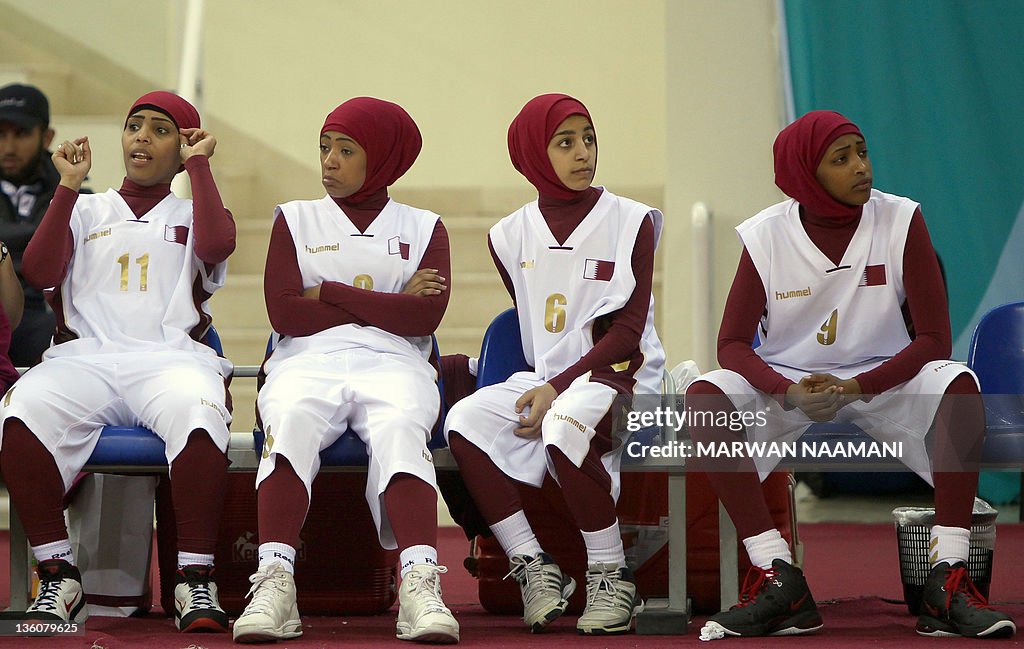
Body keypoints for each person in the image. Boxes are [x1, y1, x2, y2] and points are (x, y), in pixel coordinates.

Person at [687, 110, 1016, 641]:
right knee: (703, 393)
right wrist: (785, 390)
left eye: (862, 152)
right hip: (792, 384)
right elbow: (730, 344)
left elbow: (933, 338)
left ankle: (947, 580)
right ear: (804, 174)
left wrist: (860, 386)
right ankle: (777, 576)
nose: (861, 167)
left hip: (881, 378)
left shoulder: (902, 219)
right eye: (841, 159)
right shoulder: (765, 235)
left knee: (957, 382)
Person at [0, 91, 236, 633]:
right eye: (134, 127)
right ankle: (59, 573)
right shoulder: (84, 206)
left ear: (184, 148)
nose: (142, 138)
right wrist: (65, 185)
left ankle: (194, 580)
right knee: (19, 413)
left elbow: (219, 245)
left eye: (161, 130)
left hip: (169, 359)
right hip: (87, 359)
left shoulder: (197, 211)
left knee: (200, 414)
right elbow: (37, 271)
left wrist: (200, 166)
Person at [232, 97, 458, 644]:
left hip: (397, 361)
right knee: (288, 424)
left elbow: (425, 314)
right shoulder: (295, 218)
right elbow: (284, 311)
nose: (329, 161)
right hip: (306, 359)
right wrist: (390, 301)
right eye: (325, 148)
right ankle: (275, 582)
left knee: (404, 430)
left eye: (346, 150)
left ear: (380, 158)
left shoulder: (426, 227)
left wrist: (328, 292)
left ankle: (419, 585)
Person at [443, 93, 665, 635]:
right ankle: (534, 568)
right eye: (565, 142)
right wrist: (548, 387)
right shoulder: (507, 235)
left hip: (621, 378)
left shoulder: (633, 221)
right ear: (532, 154)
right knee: (463, 422)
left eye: (588, 138)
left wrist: (556, 390)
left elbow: (628, 336)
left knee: (566, 427)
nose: (582, 152)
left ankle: (612, 577)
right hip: (552, 381)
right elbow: (534, 332)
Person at [0, 83, 65, 366]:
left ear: (47, 137)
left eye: (22, 134)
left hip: (47, 316)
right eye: (0, 135)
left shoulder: (74, 194)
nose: (9, 147)